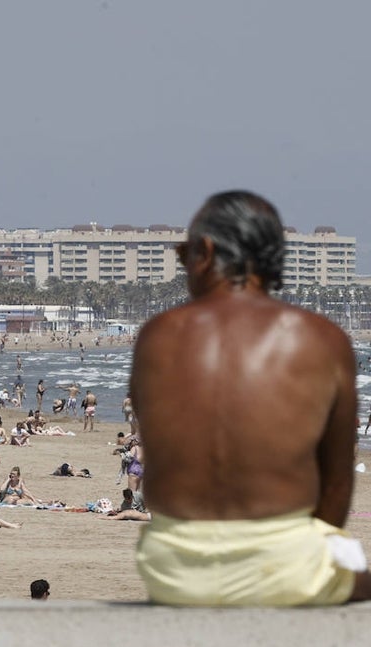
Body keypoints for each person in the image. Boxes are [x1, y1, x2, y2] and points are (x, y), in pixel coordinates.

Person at [131, 190, 371, 605]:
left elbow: (166, 451)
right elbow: (337, 481)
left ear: (205, 251)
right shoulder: (322, 339)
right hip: (287, 567)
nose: (184, 263)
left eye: (184, 253)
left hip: (173, 569)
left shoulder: (158, 336)